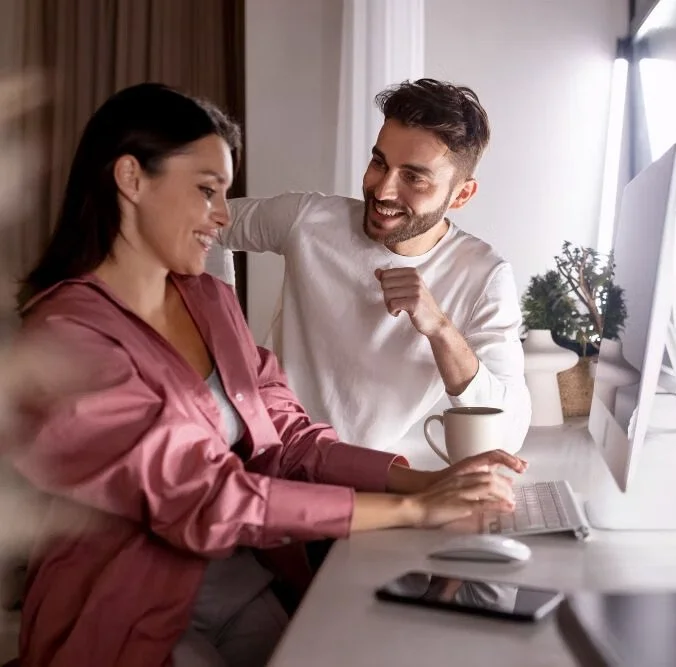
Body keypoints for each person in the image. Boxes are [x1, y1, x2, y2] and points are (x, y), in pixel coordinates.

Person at [11, 83, 526, 667]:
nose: (225, 217)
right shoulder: (68, 334)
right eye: (207, 191)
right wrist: (414, 510)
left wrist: (430, 485)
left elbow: (289, 439)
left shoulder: (207, 300)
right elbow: (207, 498)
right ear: (130, 180)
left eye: (224, 194)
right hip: (129, 601)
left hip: (242, 581)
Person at [215, 79, 532, 453]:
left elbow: (509, 432)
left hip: (381, 481)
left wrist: (441, 329)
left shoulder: (484, 276)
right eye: (379, 163)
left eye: (413, 177)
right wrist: (222, 345)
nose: (382, 191)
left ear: (461, 194)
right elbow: (200, 222)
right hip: (272, 456)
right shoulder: (308, 220)